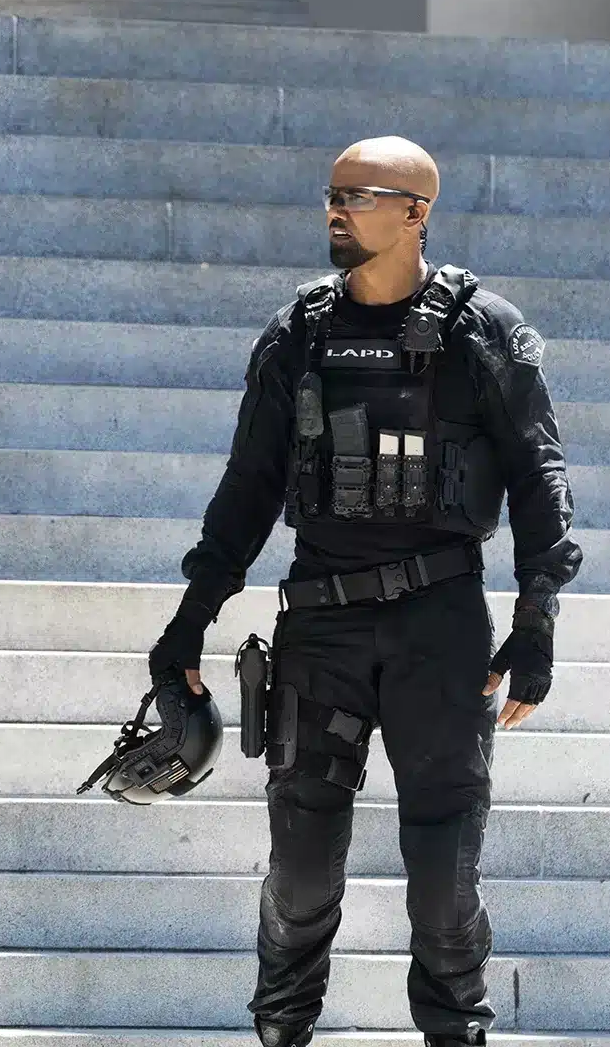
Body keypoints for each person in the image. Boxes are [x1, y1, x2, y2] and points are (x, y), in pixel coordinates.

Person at [148, 136, 581, 1047]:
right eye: (333, 193)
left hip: (441, 628)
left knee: (444, 885)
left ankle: (455, 1033)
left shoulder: (483, 331)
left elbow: (540, 476)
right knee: (300, 874)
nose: (337, 210)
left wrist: (537, 613)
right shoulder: (298, 333)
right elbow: (248, 488)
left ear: (417, 213)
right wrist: (188, 623)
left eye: (359, 195)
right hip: (322, 627)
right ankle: (281, 1031)